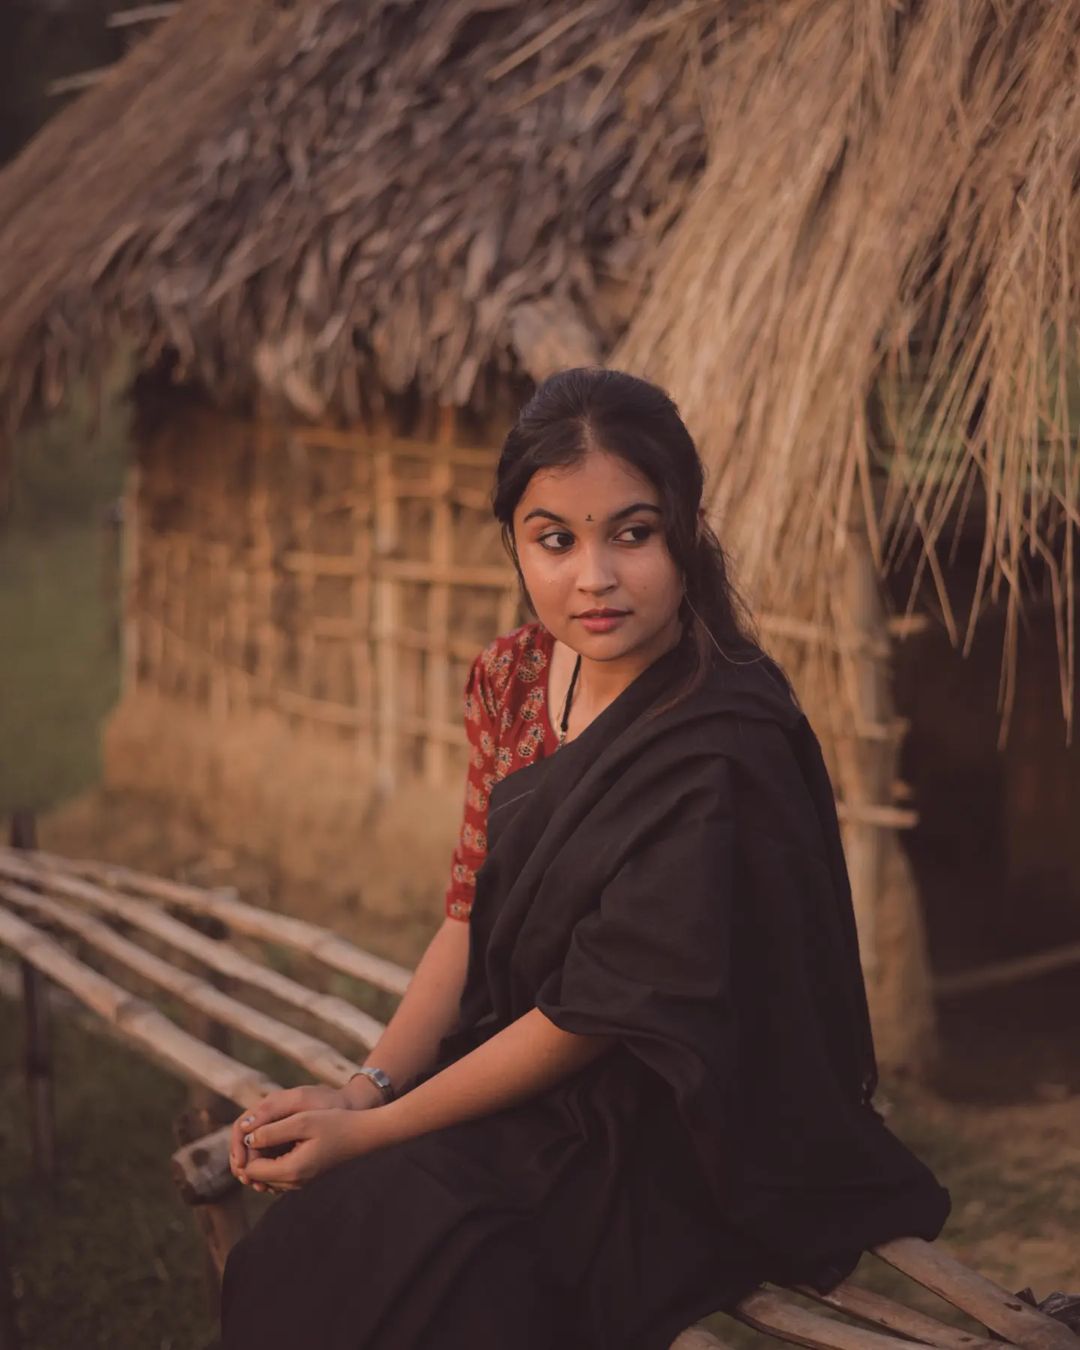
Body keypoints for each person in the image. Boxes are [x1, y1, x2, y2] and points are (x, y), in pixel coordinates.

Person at [220, 368, 951, 1350]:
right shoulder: (512, 677)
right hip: (517, 1080)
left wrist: (377, 1135)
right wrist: (362, 1092)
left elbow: (598, 1015)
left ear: (685, 527)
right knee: (306, 1256)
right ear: (516, 541)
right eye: (554, 539)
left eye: (632, 534)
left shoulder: (723, 735)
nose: (593, 576)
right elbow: (467, 922)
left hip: (679, 1126)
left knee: (447, 1284)